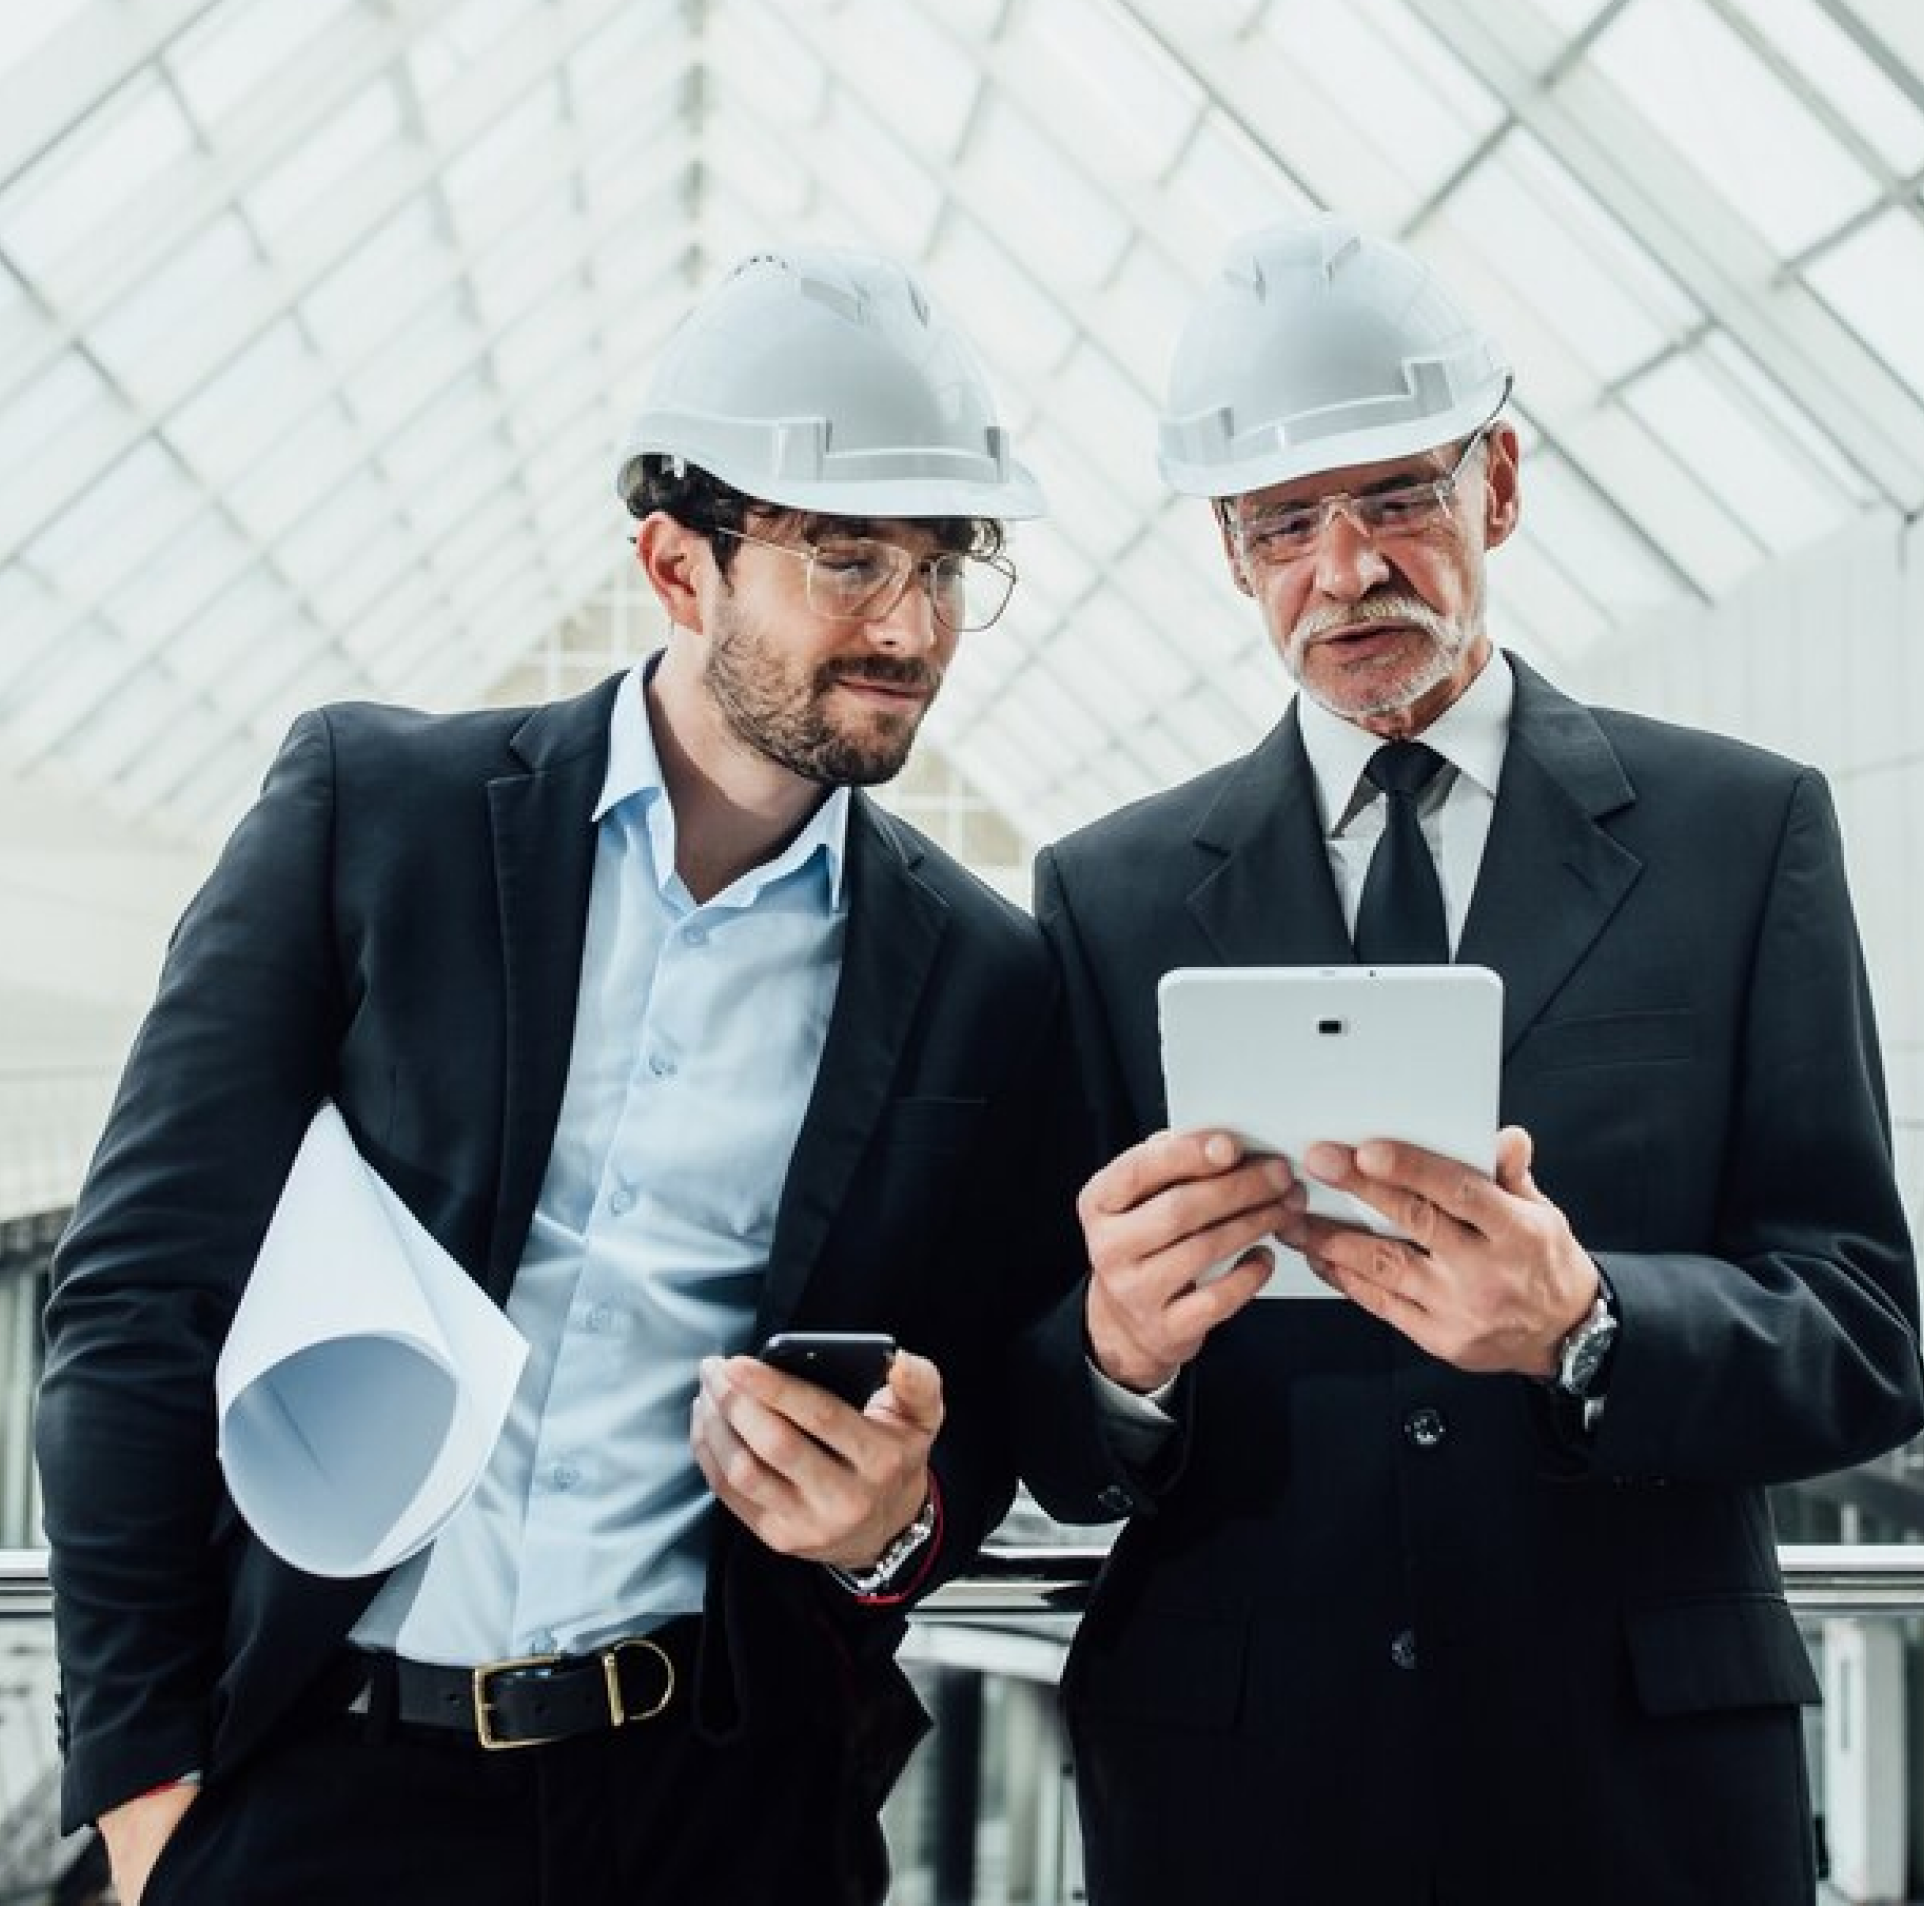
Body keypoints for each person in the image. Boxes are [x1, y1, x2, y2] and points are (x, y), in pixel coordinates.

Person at [36, 245, 1066, 1906]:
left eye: (949, 566)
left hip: (719, 1815)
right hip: (318, 1790)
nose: (912, 625)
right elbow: (137, 1297)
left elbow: (992, 1418)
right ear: (678, 565)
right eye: (850, 558)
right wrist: (150, 1796)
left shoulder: (984, 977)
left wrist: (891, 1520)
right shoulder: (373, 814)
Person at [1012, 213, 1924, 1906]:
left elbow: (1868, 1331)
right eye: (1284, 522)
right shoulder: (1108, 894)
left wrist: (1593, 1327)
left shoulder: (1746, 834)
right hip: (1243, 1798)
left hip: (1636, 1794)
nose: (1343, 569)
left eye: (1398, 497)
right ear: (1230, 550)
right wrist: (1116, 1355)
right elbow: (1046, 1418)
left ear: (1499, 482)